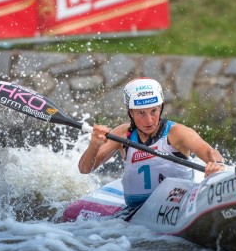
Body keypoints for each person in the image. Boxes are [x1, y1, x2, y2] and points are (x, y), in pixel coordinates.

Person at [78, 77, 225, 207]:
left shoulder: (177, 132)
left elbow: (209, 152)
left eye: (153, 111)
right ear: (130, 112)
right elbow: (85, 169)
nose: (149, 120)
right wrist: (94, 145)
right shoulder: (123, 134)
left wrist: (216, 166)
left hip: (176, 205)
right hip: (136, 210)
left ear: (160, 108)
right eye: (141, 113)